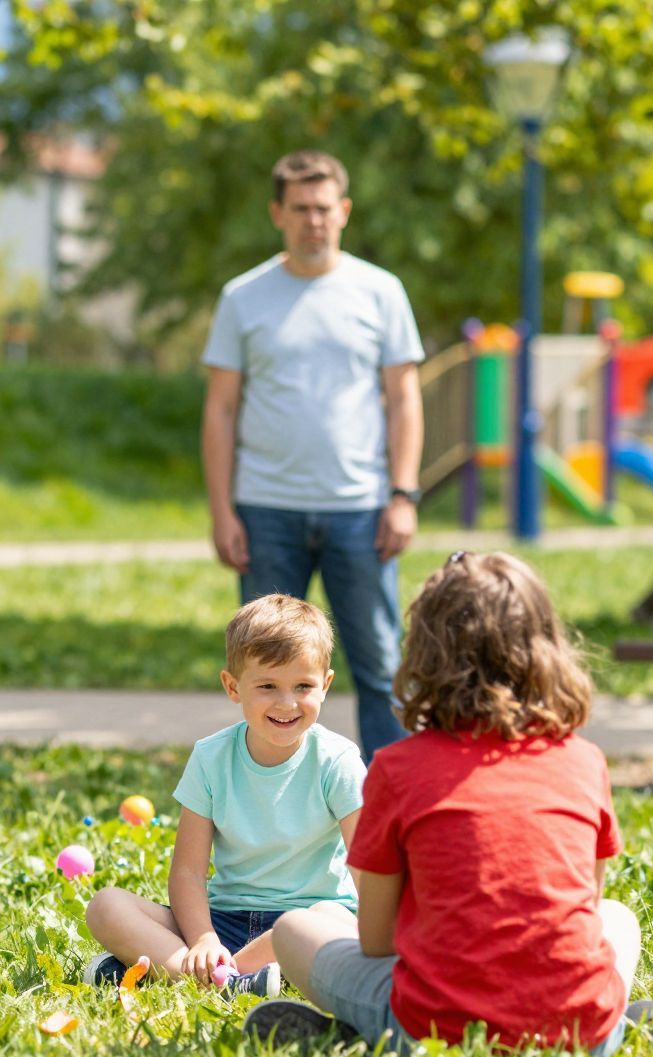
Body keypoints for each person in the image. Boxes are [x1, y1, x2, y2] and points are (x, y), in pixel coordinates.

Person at [242, 552, 644, 1056]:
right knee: (617, 916)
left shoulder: (398, 766)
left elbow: (377, 941)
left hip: (432, 1031)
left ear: (423, 655)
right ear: (548, 648)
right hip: (581, 1034)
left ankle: (367, 1035)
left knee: (295, 929)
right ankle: (613, 1023)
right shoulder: (584, 760)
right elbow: (585, 908)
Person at [201, 149, 424, 761]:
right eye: (299, 209)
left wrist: (403, 496)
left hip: (361, 509)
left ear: (344, 211)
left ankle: (387, 808)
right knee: (269, 670)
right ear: (278, 213)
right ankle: (278, 800)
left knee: (381, 665)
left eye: (324, 208)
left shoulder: (380, 291)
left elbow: (404, 398)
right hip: (266, 508)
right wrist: (222, 511)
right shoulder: (244, 297)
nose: (313, 221)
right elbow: (220, 409)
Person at [81, 594, 364, 998]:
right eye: (267, 686)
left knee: (332, 919)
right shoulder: (211, 756)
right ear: (233, 686)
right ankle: (224, 974)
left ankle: (168, 969)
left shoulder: (337, 761)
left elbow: (367, 867)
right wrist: (202, 938)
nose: (287, 703)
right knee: (106, 905)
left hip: (305, 922)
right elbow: (188, 873)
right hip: (223, 922)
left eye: (303, 686)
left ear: (326, 685)